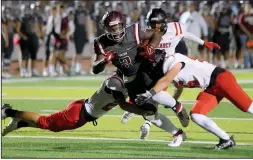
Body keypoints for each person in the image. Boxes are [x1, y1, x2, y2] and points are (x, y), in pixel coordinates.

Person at [135, 52, 253, 150]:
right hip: (211, 87)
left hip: (221, 79)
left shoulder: (171, 62)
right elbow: (177, 87)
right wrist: (174, 102)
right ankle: (226, 140)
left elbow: (166, 79)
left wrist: (149, 93)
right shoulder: (169, 66)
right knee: (196, 114)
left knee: (249, 107)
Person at [121, 8, 220, 140]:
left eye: (153, 23)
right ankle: (140, 111)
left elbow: (185, 34)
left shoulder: (175, 28)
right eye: (150, 23)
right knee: (138, 88)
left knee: (156, 94)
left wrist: (203, 42)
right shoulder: (148, 33)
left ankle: (152, 118)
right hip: (150, 67)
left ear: (161, 23)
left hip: (167, 67)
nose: (151, 26)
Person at [92, 10, 188, 147]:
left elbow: (157, 33)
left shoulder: (134, 31)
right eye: (112, 28)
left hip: (146, 68)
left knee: (155, 90)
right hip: (130, 80)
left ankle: (176, 105)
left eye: (118, 27)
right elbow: (95, 69)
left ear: (123, 25)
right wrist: (103, 62)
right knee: (149, 114)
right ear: (106, 28)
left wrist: (151, 46)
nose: (116, 31)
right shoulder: (102, 43)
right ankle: (178, 134)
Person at [1, 75, 154, 136]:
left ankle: (20, 123)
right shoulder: (115, 83)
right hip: (78, 113)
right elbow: (123, 105)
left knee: (52, 127)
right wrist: (142, 112)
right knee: (45, 121)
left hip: (82, 110)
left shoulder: (124, 83)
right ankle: (8, 111)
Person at [238, 3, 253, 68]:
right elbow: (241, 25)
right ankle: (246, 64)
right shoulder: (242, 16)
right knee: (245, 49)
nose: (248, 9)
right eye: (247, 7)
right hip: (244, 35)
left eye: (249, 7)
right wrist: (248, 34)